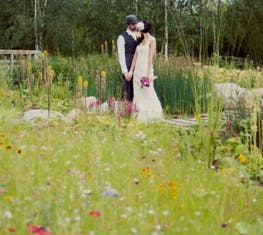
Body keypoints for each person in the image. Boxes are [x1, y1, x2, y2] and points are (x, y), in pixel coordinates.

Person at [128, 21, 163, 122]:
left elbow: (150, 58)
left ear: (143, 29)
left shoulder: (152, 40)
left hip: (145, 69)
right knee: (138, 92)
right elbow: (135, 55)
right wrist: (131, 70)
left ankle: (152, 114)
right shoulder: (141, 40)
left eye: (138, 28)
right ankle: (139, 114)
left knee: (148, 91)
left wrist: (148, 74)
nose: (137, 30)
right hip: (137, 70)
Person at [117, 15, 142, 102]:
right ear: (128, 25)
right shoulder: (122, 37)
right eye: (132, 24)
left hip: (138, 65)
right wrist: (125, 72)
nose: (134, 26)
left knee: (138, 88)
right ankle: (128, 110)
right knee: (129, 89)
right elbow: (121, 55)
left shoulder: (139, 35)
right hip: (128, 66)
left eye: (135, 24)